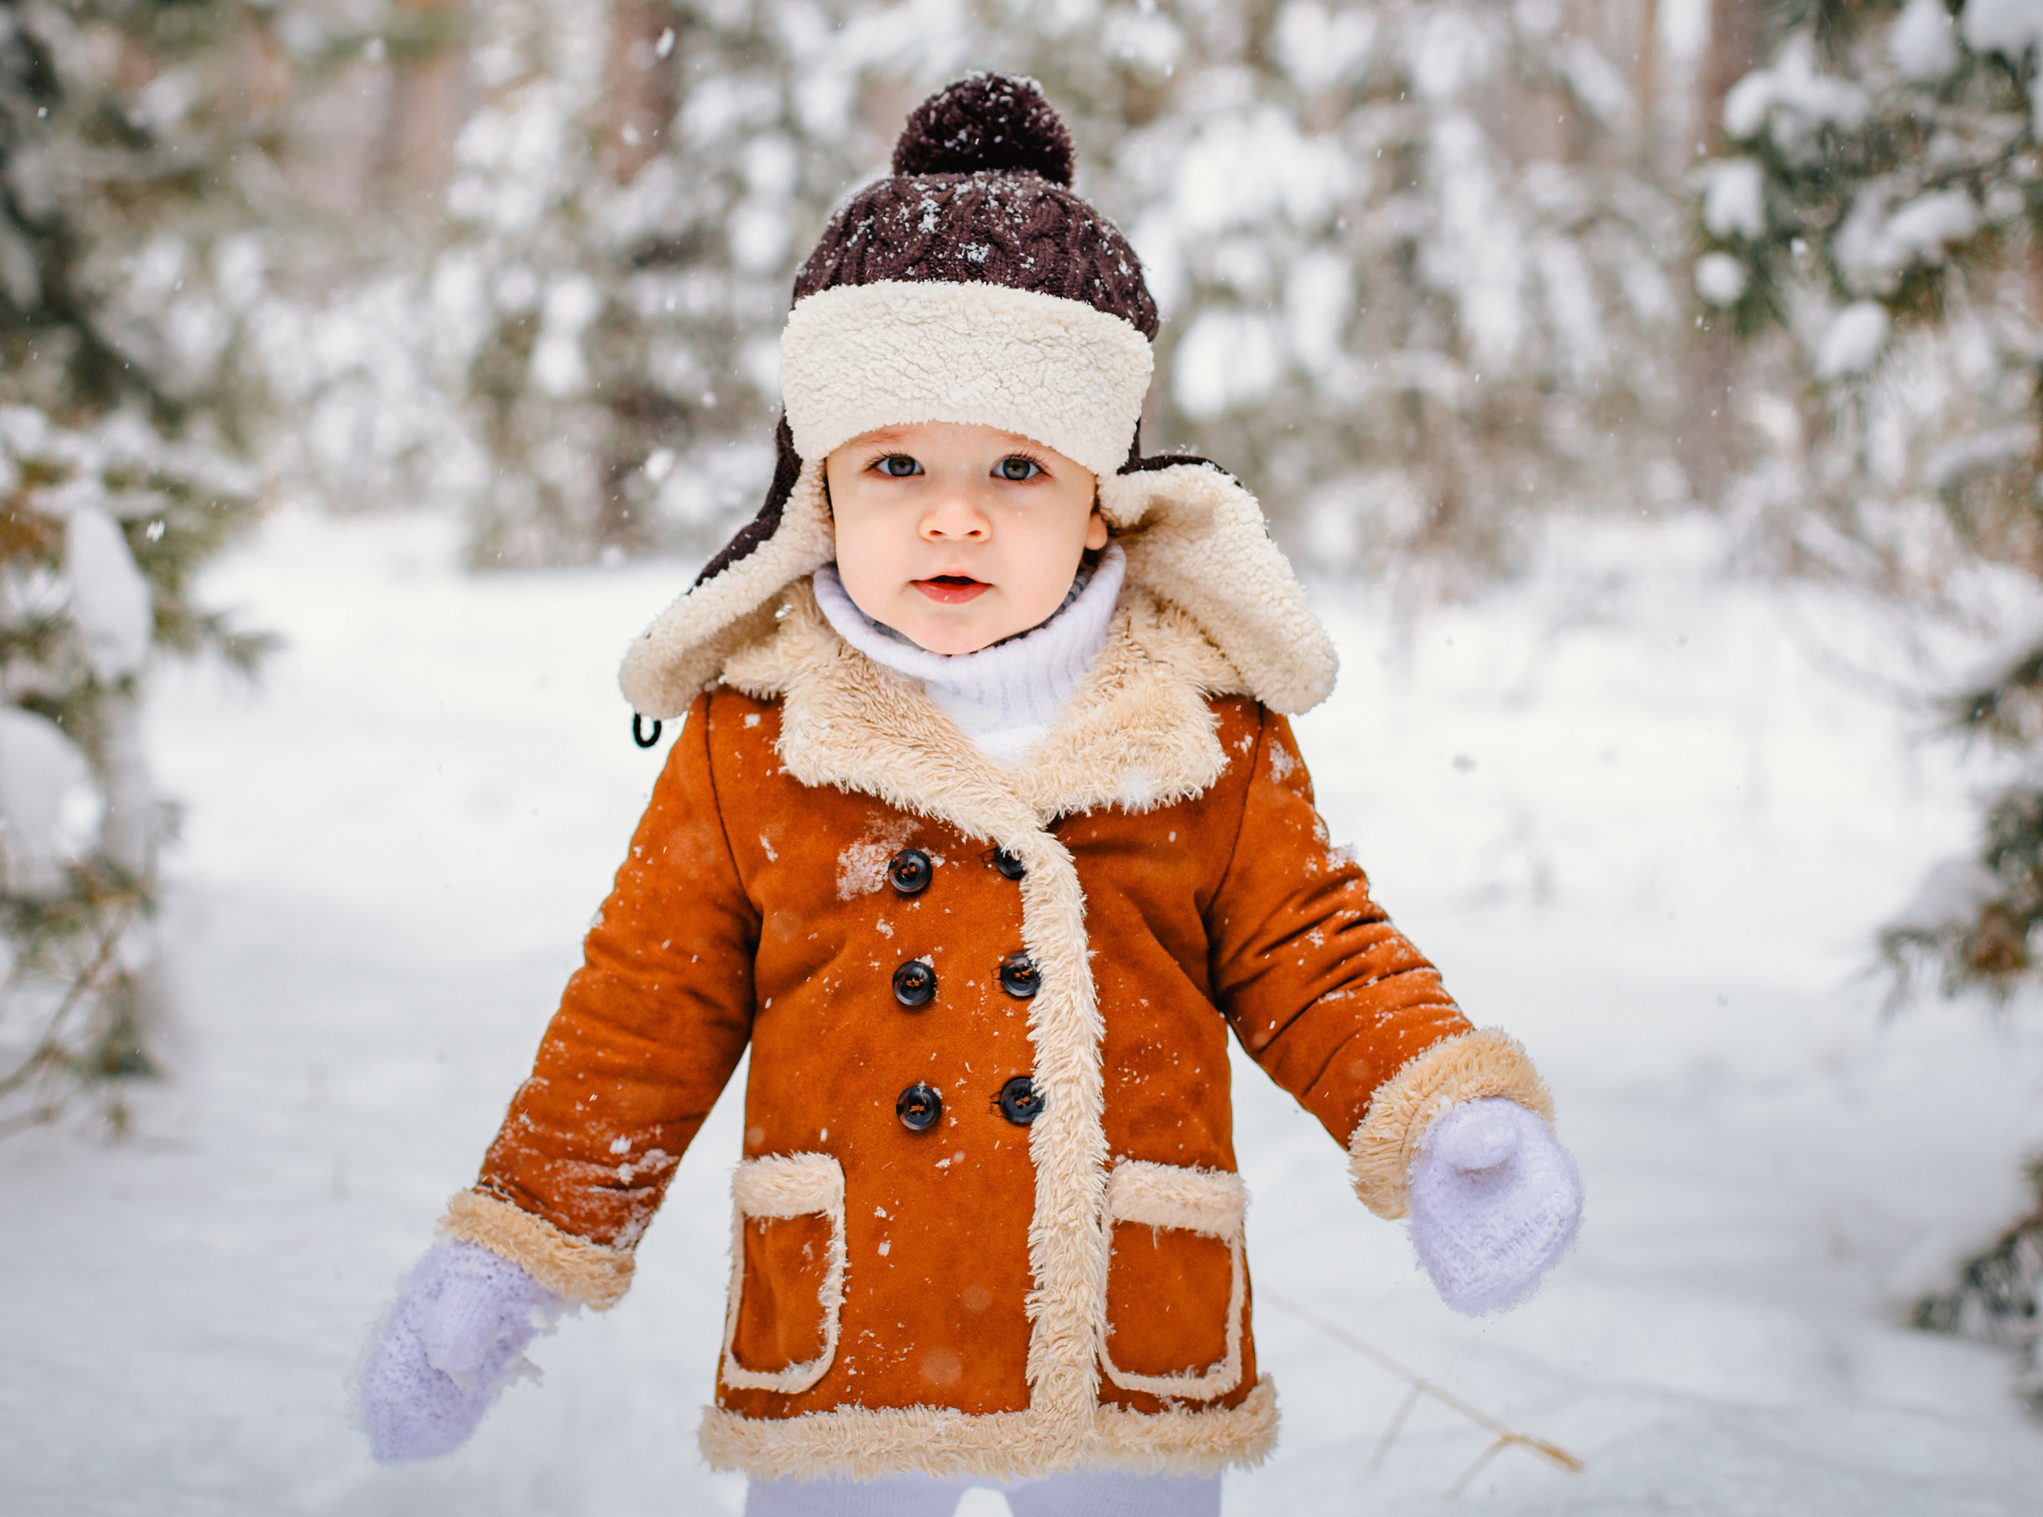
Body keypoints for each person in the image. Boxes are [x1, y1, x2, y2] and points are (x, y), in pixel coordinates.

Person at [354, 74, 1582, 1517]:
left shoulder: (1199, 721)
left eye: (1016, 464)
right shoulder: (759, 735)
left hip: (1127, 1337)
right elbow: (640, 1018)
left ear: (1100, 495)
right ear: (820, 489)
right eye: (896, 464)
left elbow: (1313, 952)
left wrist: (1434, 1110)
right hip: (853, 1332)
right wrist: (516, 1251)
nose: (955, 512)